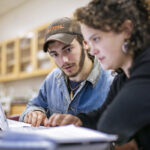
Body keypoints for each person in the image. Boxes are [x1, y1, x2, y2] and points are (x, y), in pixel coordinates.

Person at [45, 0, 150, 149]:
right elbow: (102, 114)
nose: (92, 51)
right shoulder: (122, 79)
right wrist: (77, 121)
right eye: (89, 42)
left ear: (127, 30)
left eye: (96, 39)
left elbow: (110, 124)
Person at [19, 17, 113, 127]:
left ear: (85, 44)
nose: (64, 61)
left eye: (68, 49)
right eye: (55, 54)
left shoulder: (111, 80)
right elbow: (33, 106)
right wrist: (33, 113)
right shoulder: (52, 78)